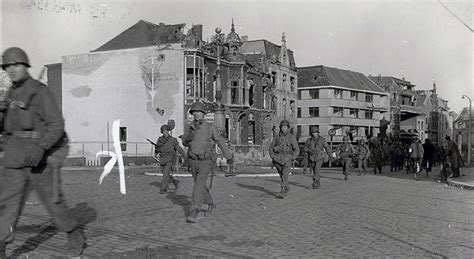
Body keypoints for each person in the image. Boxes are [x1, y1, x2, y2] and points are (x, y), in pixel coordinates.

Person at [0, 47, 84, 258]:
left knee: (53, 202)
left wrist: (42, 147)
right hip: (13, 159)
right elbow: (7, 129)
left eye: (16, 65)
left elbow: (56, 124)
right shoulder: (9, 94)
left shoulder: (39, 91)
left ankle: (73, 233)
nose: (11, 70)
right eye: (7, 66)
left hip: (40, 159)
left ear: (25, 66)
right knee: (6, 205)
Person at [182, 102, 233, 223]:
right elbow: (184, 142)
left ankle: (194, 211)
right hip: (193, 161)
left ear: (204, 114)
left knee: (198, 185)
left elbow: (220, 141)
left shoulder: (210, 127)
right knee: (199, 185)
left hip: (206, 161)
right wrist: (189, 136)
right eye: (194, 113)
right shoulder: (190, 127)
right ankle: (210, 203)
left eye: (198, 113)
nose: (196, 115)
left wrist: (228, 156)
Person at [269, 120, 299, 197]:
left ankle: (283, 190)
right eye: (282, 127)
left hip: (287, 159)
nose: (283, 129)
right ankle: (286, 186)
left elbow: (296, 149)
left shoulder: (291, 138)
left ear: (288, 128)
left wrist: (292, 158)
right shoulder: (277, 137)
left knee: (285, 174)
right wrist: (273, 156)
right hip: (277, 159)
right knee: (281, 175)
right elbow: (271, 148)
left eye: (285, 127)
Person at [154, 124, 186, 194]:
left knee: (165, 174)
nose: (164, 132)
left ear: (168, 131)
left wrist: (185, 157)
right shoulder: (160, 140)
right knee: (166, 174)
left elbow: (179, 149)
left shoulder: (173, 140)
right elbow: (157, 148)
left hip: (170, 159)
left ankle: (163, 189)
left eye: (166, 131)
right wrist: (156, 154)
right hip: (162, 159)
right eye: (163, 131)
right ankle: (174, 181)